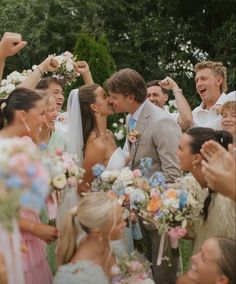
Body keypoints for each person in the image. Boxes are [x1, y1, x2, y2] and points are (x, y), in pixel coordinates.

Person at [105, 68, 181, 284]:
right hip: (139, 211)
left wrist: (156, 207)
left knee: (163, 272)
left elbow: (172, 172)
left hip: (160, 214)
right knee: (147, 270)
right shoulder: (132, 118)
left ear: (130, 97)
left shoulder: (161, 121)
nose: (111, 101)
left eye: (114, 97)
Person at [0, 88, 58, 284]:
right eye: (41, 113)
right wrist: (34, 228)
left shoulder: (26, 145)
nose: (44, 120)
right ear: (22, 115)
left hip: (30, 237)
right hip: (10, 239)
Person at [176, 127, 235, 254]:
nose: (176, 152)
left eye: (180, 148)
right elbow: (191, 233)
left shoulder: (225, 198)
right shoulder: (190, 185)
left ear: (196, 158)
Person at [54, 192, 126, 284]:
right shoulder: (77, 276)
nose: (124, 224)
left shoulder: (110, 244)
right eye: (118, 221)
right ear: (98, 231)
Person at [192, 60, 235, 130]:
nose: (199, 84)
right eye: (197, 80)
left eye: (203, 79)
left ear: (218, 81)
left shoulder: (233, 98)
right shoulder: (194, 114)